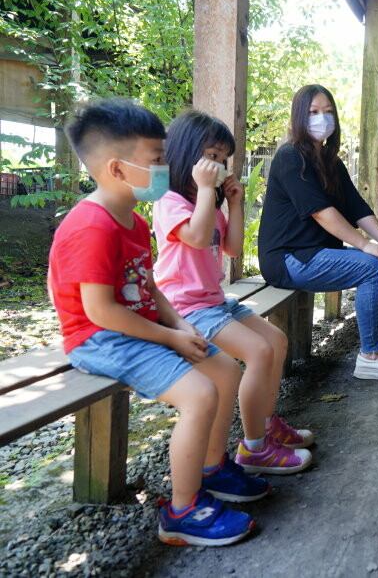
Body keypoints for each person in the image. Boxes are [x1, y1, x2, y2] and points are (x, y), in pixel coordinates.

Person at [49, 99, 269, 547]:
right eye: (157, 160)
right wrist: (170, 334)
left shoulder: (129, 218)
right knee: (200, 392)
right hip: (100, 339)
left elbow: (149, 287)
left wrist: (179, 327)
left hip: (140, 324)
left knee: (225, 370)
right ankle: (182, 510)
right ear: (117, 168)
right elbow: (101, 312)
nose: (167, 168)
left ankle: (211, 467)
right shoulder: (92, 225)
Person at [152, 111, 313, 475]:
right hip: (184, 307)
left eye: (223, 159)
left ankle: (267, 425)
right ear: (186, 154)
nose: (220, 165)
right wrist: (208, 191)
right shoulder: (169, 201)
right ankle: (254, 448)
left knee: (276, 340)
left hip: (213, 301)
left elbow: (234, 249)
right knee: (257, 352)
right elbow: (194, 237)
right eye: (212, 156)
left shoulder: (207, 200)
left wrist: (236, 203)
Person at [258, 84, 378, 382]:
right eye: (313, 112)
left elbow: (357, 207)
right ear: (299, 116)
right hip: (288, 258)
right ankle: (370, 357)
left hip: (317, 254)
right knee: (374, 266)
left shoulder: (330, 161)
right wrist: (364, 245)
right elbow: (321, 212)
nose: (321, 118)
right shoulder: (290, 157)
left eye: (327, 112)